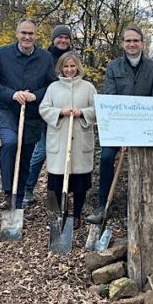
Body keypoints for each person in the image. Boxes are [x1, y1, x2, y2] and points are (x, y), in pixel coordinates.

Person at [86, 25, 153, 224]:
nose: (132, 44)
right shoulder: (113, 67)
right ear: (122, 44)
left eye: (136, 40)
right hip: (117, 127)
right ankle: (102, 204)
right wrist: (124, 131)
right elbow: (109, 98)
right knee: (108, 157)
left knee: (139, 164)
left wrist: (137, 131)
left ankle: (134, 207)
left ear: (142, 43)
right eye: (128, 41)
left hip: (144, 129)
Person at [0, 18, 56, 210]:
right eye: (23, 33)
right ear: (17, 34)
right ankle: (9, 193)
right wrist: (12, 94)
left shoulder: (45, 57)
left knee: (25, 155)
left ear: (36, 36)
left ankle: (19, 198)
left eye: (31, 33)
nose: (27, 37)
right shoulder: (2, 54)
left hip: (32, 114)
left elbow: (52, 84)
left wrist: (36, 95)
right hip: (7, 109)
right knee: (10, 143)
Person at [39, 52, 97, 229]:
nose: (70, 70)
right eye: (66, 66)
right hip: (60, 140)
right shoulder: (53, 88)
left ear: (78, 67)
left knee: (80, 184)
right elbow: (44, 108)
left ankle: (77, 214)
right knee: (58, 182)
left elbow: (97, 109)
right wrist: (59, 112)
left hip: (80, 141)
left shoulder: (88, 87)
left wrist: (83, 113)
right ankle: (61, 212)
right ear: (61, 68)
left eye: (73, 66)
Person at [23, 24, 73, 205]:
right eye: (60, 37)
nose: (63, 40)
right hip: (48, 112)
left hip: (69, 112)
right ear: (53, 39)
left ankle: (58, 191)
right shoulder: (44, 57)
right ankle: (27, 186)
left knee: (64, 153)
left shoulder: (72, 58)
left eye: (66, 38)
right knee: (42, 151)